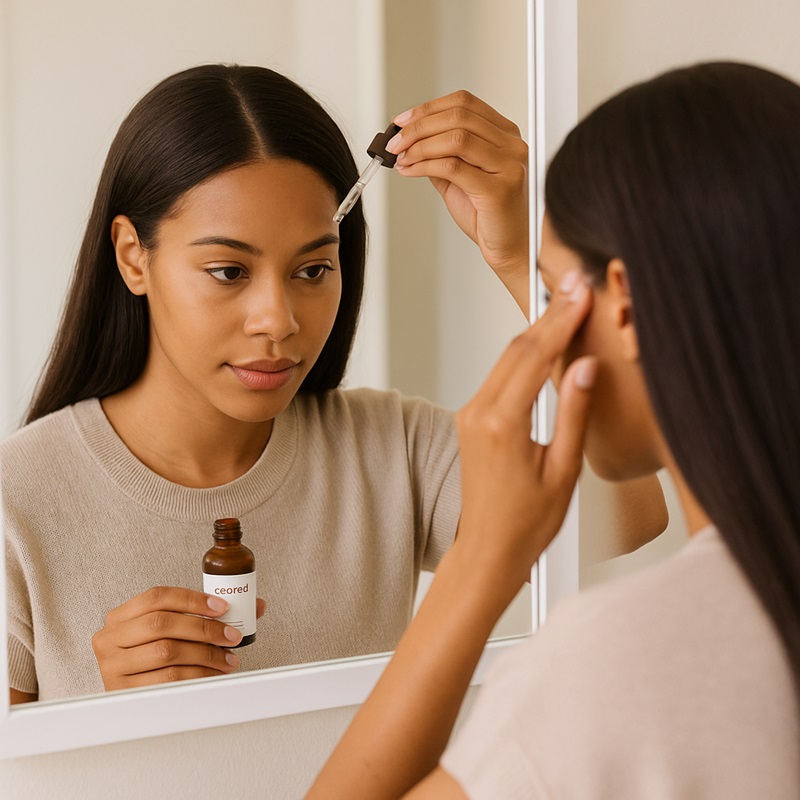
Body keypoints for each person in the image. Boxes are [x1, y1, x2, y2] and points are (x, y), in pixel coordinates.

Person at [1, 65, 666, 705]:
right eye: (229, 271)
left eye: (313, 269)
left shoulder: (392, 452)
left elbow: (625, 512)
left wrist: (522, 255)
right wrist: (90, 722)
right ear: (131, 256)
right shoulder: (16, 504)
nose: (280, 321)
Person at [307, 61, 800, 798]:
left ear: (625, 303)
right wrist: (518, 257)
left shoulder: (623, 663)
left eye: (551, 290)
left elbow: (626, 514)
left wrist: (481, 560)